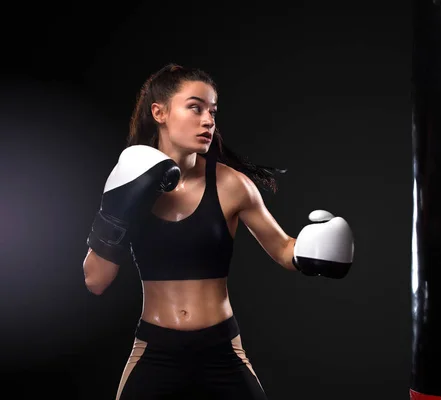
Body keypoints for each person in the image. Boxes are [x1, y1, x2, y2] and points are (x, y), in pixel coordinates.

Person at [82, 63, 354, 399]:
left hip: (221, 349)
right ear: (160, 112)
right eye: (195, 108)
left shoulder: (231, 185)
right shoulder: (129, 183)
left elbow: (283, 248)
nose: (208, 120)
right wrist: (119, 211)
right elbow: (96, 280)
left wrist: (316, 247)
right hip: (155, 351)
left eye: (212, 111)